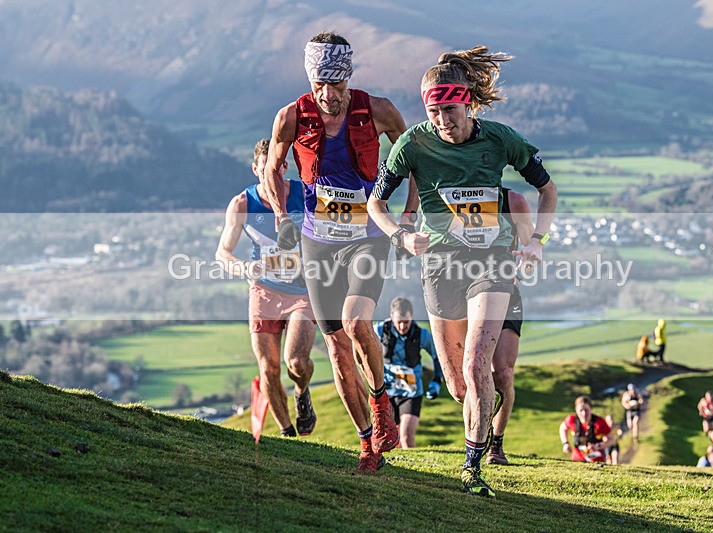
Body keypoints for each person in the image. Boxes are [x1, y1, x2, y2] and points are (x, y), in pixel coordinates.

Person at [367, 46, 557, 497]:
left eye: (449, 110)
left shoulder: (499, 139)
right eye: (433, 111)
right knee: (457, 385)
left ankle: (473, 469)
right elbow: (376, 202)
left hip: (490, 263)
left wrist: (535, 242)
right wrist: (399, 235)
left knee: (478, 367)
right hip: (439, 267)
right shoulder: (413, 143)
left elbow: (547, 191)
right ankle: (479, 426)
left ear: (468, 102)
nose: (441, 121)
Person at [260, 32, 411, 471]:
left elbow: (412, 153)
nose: (329, 95)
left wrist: (409, 213)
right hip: (317, 240)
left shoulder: (377, 110)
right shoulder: (290, 117)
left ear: (349, 78)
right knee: (336, 346)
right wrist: (281, 217)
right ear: (311, 81)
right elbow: (274, 168)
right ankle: (367, 443)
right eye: (320, 85)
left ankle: (382, 402)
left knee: (355, 320)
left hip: (368, 234)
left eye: (338, 85)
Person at [215, 139, 318, 437]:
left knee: (296, 362)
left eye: (277, 168)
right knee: (268, 369)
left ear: (284, 167)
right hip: (264, 291)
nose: (270, 175)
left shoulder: (304, 193)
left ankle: (302, 392)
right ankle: (288, 433)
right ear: (255, 169)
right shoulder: (243, 204)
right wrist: (244, 267)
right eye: (264, 169)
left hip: (302, 291)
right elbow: (223, 252)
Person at [485, 187, 535, 465]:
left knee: (502, 373)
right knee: (471, 375)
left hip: (506, 293)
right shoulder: (454, 193)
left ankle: (496, 444)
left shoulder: (513, 201)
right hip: (465, 292)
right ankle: (475, 437)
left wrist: (522, 272)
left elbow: (531, 252)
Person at [375, 297, 443, 448]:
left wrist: (437, 380)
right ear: (391, 316)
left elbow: (437, 356)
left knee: (405, 435)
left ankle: (414, 470)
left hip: (411, 392)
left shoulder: (422, 335)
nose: (402, 326)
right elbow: (362, 350)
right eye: (399, 321)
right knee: (391, 439)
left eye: (406, 321)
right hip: (386, 392)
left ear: (412, 316)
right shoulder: (379, 330)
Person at [559, 396, 616, 464]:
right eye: (581, 410)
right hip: (577, 459)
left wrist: (599, 446)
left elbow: (612, 439)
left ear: (591, 409)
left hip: (596, 459)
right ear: (576, 410)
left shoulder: (599, 422)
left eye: (586, 410)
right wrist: (565, 443)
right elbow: (562, 428)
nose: (584, 414)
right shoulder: (571, 420)